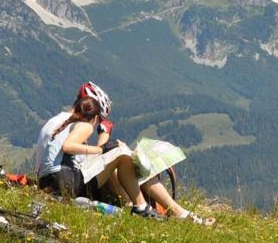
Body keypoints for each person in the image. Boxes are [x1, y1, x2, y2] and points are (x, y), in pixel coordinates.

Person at [78, 82, 215, 226]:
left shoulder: (74, 124)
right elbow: (97, 158)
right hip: (86, 184)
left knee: (135, 165)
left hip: (89, 181)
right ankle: (145, 208)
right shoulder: (78, 127)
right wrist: (105, 136)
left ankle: (177, 211)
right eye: (97, 118)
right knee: (123, 160)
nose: (95, 123)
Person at [33, 93, 164, 220]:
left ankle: (129, 203)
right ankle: (140, 206)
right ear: (95, 118)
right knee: (122, 154)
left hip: (46, 182)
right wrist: (101, 149)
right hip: (66, 182)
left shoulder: (59, 122)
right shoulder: (85, 125)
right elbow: (68, 146)